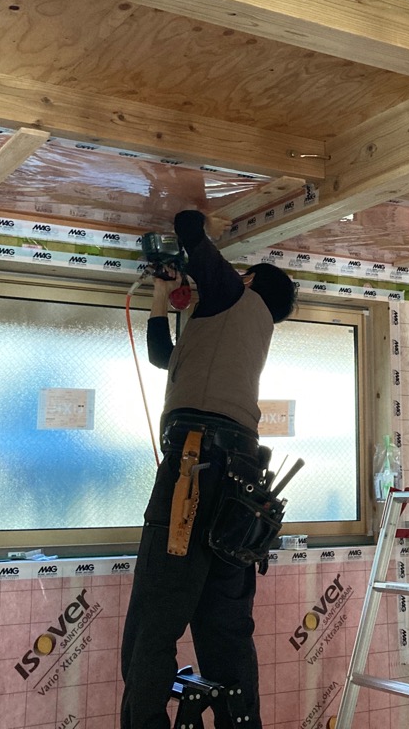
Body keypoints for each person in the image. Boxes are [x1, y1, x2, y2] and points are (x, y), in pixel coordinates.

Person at [120, 209, 296, 729]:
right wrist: (162, 293)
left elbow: (189, 226)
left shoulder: (236, 296)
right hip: (238, 479)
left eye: (240, 273)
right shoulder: (236, 329)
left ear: (249, 280)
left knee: (155, 618)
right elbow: (163, 356)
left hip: (196, 470)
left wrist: (195, 222)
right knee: (225, 628)